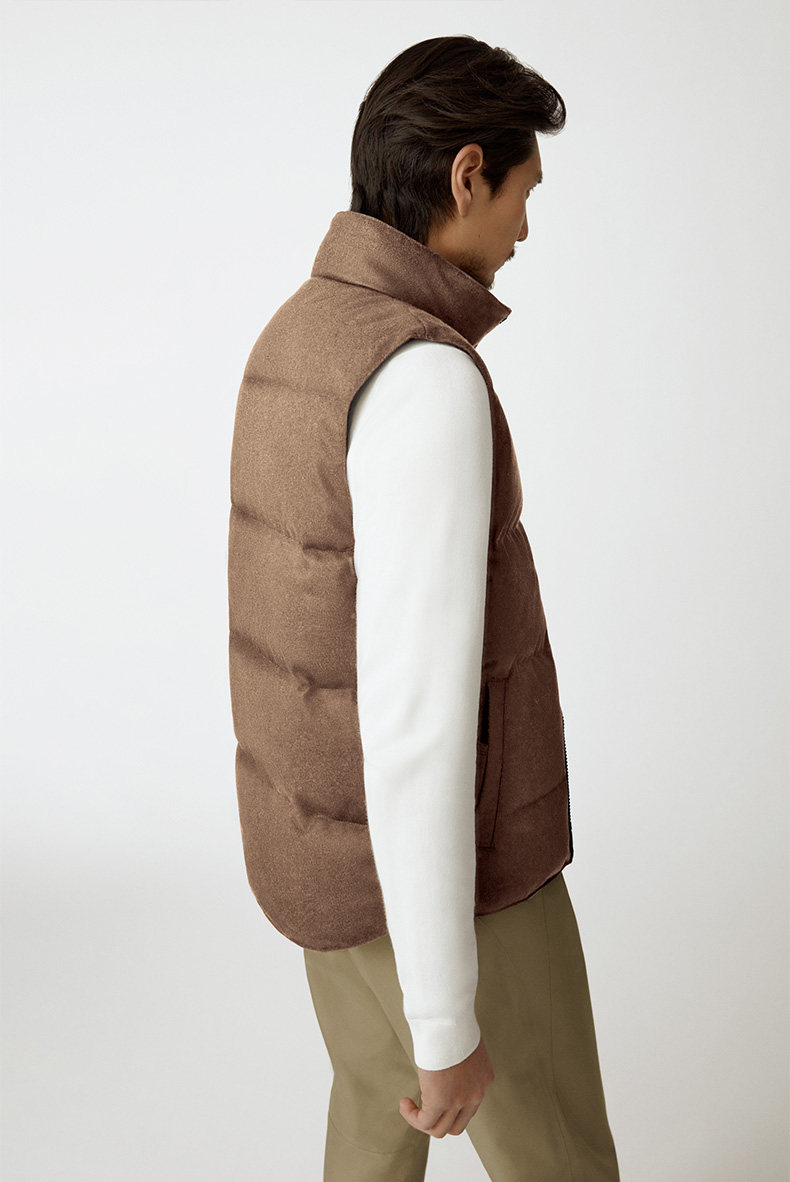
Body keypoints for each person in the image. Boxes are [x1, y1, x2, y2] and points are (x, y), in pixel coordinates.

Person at [228, 34, 620, 1181]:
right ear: (465, 175)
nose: (526, 229)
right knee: (558, 1158)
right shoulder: (423, 378)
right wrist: (447, 1018)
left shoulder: (301, 331)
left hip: (329, 875)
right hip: (456, 895)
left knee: (370, 1139)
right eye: (523, 191)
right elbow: (415, 718)